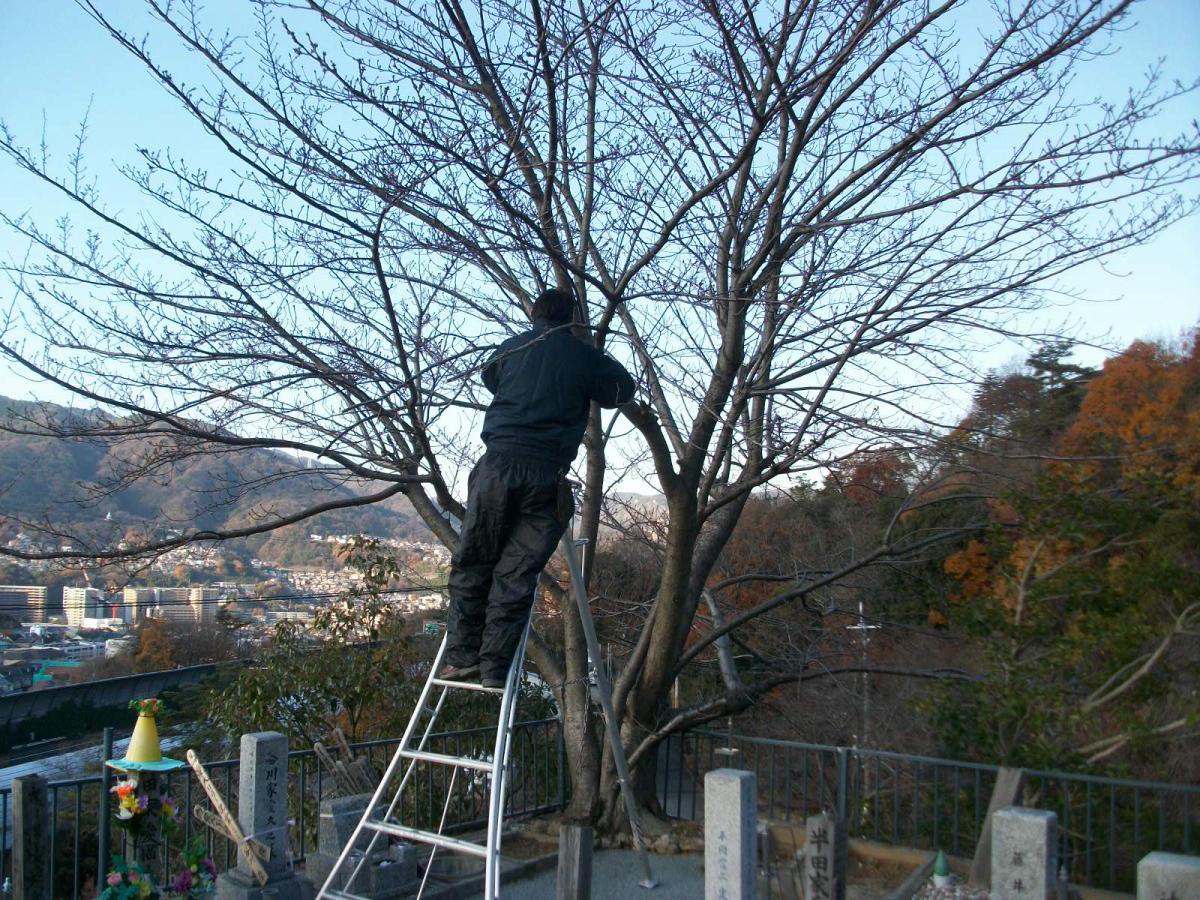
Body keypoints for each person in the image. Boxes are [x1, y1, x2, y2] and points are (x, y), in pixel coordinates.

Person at [439, 287, 636, 688]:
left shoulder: (511, 348)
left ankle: (462, 657)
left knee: (474, 559)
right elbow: (621, 389)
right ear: (573, 318)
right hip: (546, 473)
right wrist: (586, 355)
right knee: (516, 573)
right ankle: (494, 669)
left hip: (496, 466)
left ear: (535, 314)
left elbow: (490, 376)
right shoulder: (582, 356)